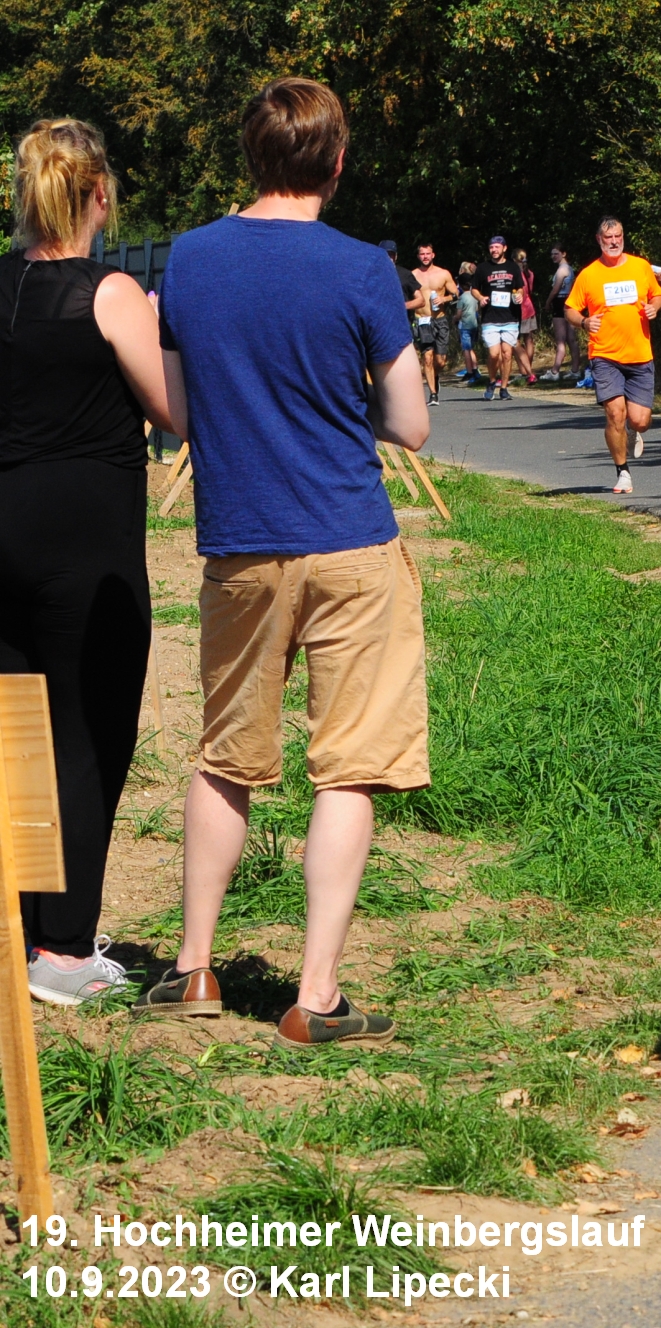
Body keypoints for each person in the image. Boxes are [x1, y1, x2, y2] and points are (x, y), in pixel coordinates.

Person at [140, 76, 430, 1047]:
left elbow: (178, 412)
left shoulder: (190, 258)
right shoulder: (363, 267)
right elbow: (411, 423)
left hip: (240, 542)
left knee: (225, 757)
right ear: (337, 162)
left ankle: (192, 968)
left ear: (251, 155)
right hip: (350, 539)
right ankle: (315, 994)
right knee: (347, 766)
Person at [2, 118, 174, 1004]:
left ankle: (22, 927)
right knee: (86, 731)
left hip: (4, 526)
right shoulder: (110, 293)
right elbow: (174, 411)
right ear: (99, 194)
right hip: (85, 542)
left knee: (17, 731)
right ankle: (64, 953)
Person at [567, 215, 661, 495]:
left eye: (618, 236)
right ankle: (622, 471)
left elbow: (657, 294)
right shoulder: (589, 274)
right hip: (604, 354)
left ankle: (633, 431)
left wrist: (655, 307)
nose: (614, 242)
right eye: (608, 237)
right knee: (614, 413)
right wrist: (584, 322)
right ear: (599, 240)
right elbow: (570, 309)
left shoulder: (640, 266)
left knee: (640, 420)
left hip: (639, 354)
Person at [471, 236, 526, 400]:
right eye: (491, 247)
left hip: (510, 316)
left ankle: (504, 388)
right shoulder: (483, 268)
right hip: (490, 317)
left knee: (507, 354)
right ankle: (492, 381)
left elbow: (520, 288)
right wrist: (480, 298)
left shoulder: (513, 267)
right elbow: (474, 289)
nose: (494, 250)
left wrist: (520, 295)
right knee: (494, 354)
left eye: (497, 247)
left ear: (504, 248)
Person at [410, 243, 457, 406]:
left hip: (440, 320)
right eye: (422, 254)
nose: (425, 257)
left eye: (427, 254)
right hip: (422, 320)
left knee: (440, 361)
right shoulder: (413, 275)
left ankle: (435, 376)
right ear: (418, 256)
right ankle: (433, 393)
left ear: (433, 255)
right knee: (427, 357)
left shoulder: (443, 273)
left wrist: (444, 298)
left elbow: (456, 294)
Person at [511, 246, 540, 384]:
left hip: (517, 309)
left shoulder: (514, 275)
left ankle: (524, 370)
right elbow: (531, 289)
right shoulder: (530, 273)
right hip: (529, 307)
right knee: (529, 340)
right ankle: (529, 368)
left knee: (514, 341)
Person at [548, 242, 577, 380]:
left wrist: (548, 302)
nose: (553, 256)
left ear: (563, 254)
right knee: (571, 338)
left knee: (561, 339)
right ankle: (575, 370)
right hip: (569, 301)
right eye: (552, 254)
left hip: (560, 301)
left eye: (556, 253)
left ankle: (555, 371)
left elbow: (556, 289)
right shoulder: (569, 269)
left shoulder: (562, 270)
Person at [454, 261, 483, 382]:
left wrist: (454, 319)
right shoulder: (475, 296)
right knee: (471, 348)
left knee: (466, 349)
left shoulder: (462, 298)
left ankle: (469, 371)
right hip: (474, 324)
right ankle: (475, 369)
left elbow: (459, 314)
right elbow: (477, 308)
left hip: (465, 326)